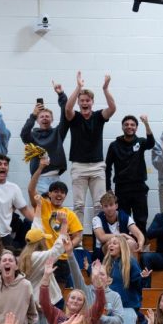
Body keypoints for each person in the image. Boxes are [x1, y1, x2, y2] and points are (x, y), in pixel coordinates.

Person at [64, 71, 116, 226]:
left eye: (87, 100)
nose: (84, 103)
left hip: (97, 166)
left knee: (100, 205)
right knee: (78, 205)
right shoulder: (75, 117)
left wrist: (105, 89)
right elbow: (67, 108)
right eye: (82, 101)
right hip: (79, 166)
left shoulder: (99, 116)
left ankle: (98, 241)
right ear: (79, 103)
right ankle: (78, 242)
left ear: (92, 102)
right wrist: (78, 87)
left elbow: (112, 108)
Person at [105, 114, 155, 232]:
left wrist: (146, 124)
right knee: (123, 219)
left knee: (141, 219)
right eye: (126, 124)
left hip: (139, 187)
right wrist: (108, 188)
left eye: (132, 125)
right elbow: (107, 168)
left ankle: (142, 245)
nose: (129, 127)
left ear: (136, 128)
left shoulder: (141, 142)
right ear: (122, 127)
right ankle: (125, 246)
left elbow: (151, 143)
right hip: (122, 188)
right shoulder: (114, 145)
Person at [21, 88, 69, 194]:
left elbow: (65, 117)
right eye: (41, 117)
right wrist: (33, 115)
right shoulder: (33, 136)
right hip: (38, 179)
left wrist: (61, 95)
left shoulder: (58, 133)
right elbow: (24, 134)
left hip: (55, 179)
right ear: (37, 120)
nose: (44, 118)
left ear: (52, 119)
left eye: (47, 116)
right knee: (38, 209)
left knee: (55, 210)